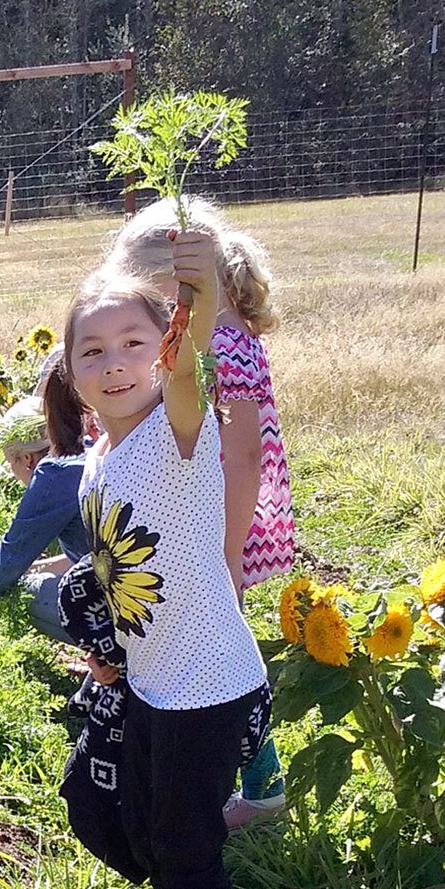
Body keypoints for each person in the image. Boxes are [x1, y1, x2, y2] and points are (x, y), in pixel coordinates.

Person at [49, 236, 280, 889]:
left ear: (165, 352)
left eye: (134, 345)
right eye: (93, 350)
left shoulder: (177, 439)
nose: (115, 364)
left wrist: (201, 300)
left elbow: (188, 375)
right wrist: (108, 650)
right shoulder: (100, 460)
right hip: (154, 679)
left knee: (186, 849)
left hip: (206, 686)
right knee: (152, 831)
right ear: (71, 371)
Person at [108, 197, 294, 830]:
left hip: (219, 528)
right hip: (195, 523)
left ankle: (257, 783)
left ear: (177, 283)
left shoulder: (219, 343)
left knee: (227, 651)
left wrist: (227, 555)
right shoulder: (200, 337)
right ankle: (227, 770)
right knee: (209, 648)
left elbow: (242, 455)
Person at [0, 391, 89, 642]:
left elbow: (7, 564)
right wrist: (37, 567)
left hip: (123, 610)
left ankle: (114, 658)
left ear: (27, 459)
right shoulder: (90, 450)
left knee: (23, 591)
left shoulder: (53, 474)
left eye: (10, 462)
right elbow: (87, 556)